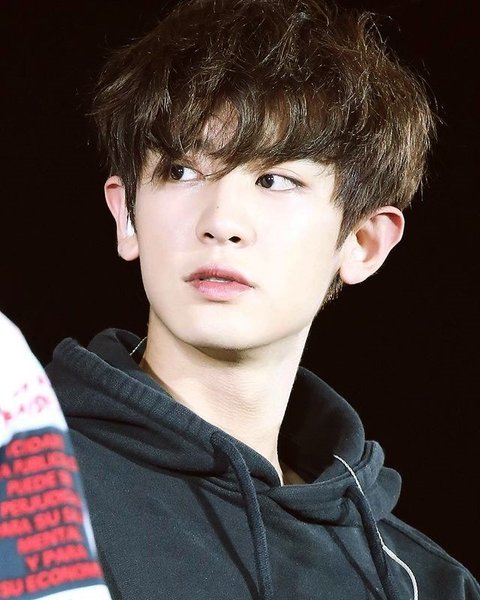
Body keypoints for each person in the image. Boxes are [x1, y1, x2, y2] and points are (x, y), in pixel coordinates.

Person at [43, 0, 478, 598]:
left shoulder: (423, 581)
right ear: (126, 216)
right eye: (182, 171)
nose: (221, 222)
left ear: (362, 243)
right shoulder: (28, 488)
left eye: (276, 180)